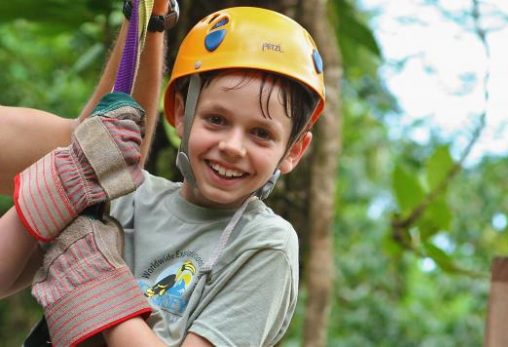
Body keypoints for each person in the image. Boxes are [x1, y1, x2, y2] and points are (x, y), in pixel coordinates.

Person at [0, 5, 326, 347]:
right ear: (181, 114)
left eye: (261, 133)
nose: (232, 146)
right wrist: (56, 188)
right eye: (216, 120)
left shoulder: (263, 243)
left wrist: (99, 287)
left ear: (293, 150)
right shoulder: (125, 197)